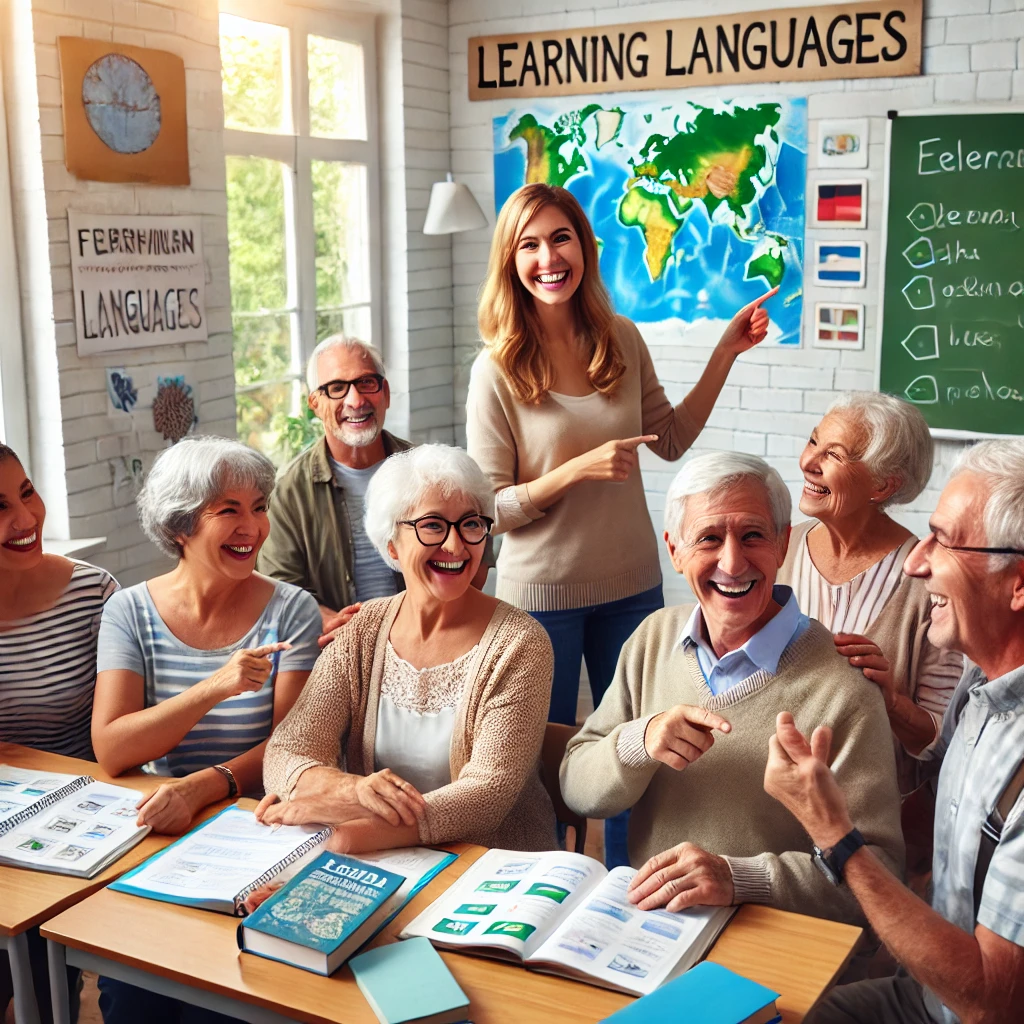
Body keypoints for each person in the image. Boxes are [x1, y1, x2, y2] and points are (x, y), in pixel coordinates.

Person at [466, 182, 775, 866]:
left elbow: (667, 438)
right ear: (511, 262)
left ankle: (628, 890)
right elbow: (490, 510)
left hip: (632, 589)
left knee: (635, 753)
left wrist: (723, 354)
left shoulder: (621, 338)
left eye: (561, 238)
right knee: (541, 767)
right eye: (530, 245)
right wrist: (577, 469)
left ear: (584, 246)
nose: (549, 257)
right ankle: (539, 894)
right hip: (539, 599)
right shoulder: (495, 369)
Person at [560, 452, 903, 926]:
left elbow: (881, 873)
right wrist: (641, 741)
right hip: (650, 930)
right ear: (675, 551)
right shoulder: (652, 638)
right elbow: (578, 788)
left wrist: (738, 878)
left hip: (770, 947)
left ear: (783, 543)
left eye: (753, 535)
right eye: (708, 538)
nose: (732, 562)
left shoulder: (845, 687)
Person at [765, 439, 1024, 1024]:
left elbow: (992, 1001)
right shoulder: (981, 685)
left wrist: (837, 834)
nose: (914, 560)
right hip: (923, 990)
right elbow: (940, 813)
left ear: (1019, 584)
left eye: (945, 542)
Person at [90, 436, 321, 1024]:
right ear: (181, 525)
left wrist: (203, 786)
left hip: (259, 831)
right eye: (229, 510)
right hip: (159, 832)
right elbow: (113, 749)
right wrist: (215, 686)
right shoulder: (129, 612)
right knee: (134, 998)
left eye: (259, 505)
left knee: (245, 994)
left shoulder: (290, 609)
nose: (254, 526)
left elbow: (287, 751)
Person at [258, 444, 557, 854]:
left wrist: (348, 832)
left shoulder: (521, 643)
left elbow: (486, 795)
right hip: (379, 859)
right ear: (392, 544)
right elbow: (287, 751)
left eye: (470, 524)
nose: (455, 546)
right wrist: (354, 791)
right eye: (433, 525)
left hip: (487, 864)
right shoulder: (362, 630)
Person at [779, 393, 962, 794]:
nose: (808, 462)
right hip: (777, 793)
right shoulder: (781, 548)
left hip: (873, 811)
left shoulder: (927, 579)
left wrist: (891, 700)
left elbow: (944, 739)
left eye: (834, 455)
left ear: (883, 484)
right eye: (813, 441)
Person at [0, 444, 117, 1024]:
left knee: (48, 999)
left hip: (81, 826)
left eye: (26, 492)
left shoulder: (93, 592)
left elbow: (122, 733)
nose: (25, 520)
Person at [257, 334, 413, 641]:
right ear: (315, 403)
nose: (355, 401)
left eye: (367, 383)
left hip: (422, 642)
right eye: (337, 388)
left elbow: (468, 557)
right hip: (336, 650)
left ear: (386, 393)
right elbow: (278, 584)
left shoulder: (425, 471)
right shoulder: (288, 491)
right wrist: (326, 617)